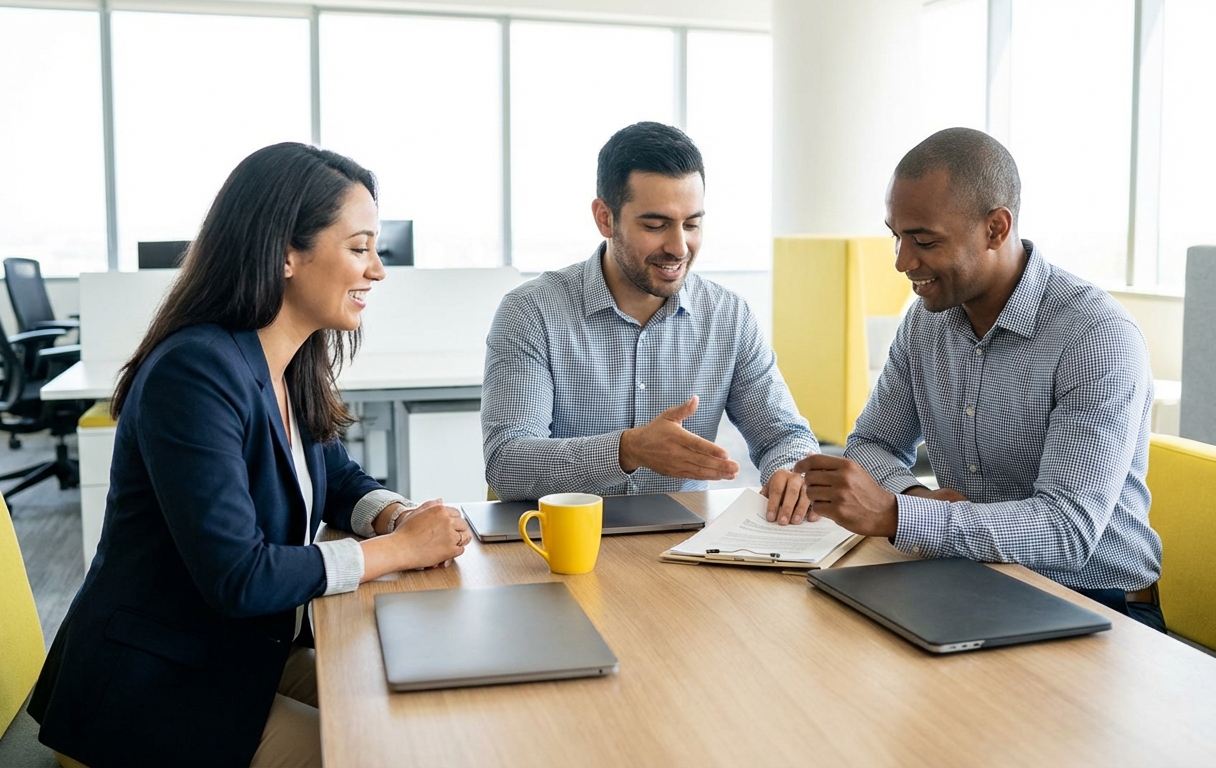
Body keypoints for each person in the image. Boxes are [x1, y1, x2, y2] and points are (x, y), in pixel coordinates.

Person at [27, 143, 473, 768]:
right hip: (150, 691)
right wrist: (399, 551)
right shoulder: (196, 371)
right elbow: (238, 575)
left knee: (424, 721)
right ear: (287, 253)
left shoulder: (286, 361)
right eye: (358, 247)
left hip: (236, 655)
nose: (377, 270)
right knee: (382, 751)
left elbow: (333, 476)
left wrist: (394, 516)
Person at [794, 128, 1165, 631]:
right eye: (897, 237)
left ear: (996, 228)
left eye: (924, 240)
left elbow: (1067, 531)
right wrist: (918, 502)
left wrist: (899, 517)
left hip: (1096, 600)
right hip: (972, 577)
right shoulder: (927, 321)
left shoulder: (1095, 337)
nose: (903, 262)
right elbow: (873, 444)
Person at [483, 121, 819, 522]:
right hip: (557, 546)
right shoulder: (532, 312)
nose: (679, 247)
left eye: (692, 224)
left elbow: (786, 435)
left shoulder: (729, 316)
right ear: (605, 218)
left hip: (679, 545)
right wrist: (628, 450)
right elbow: (507, 462)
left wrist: (791, 471)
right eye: (655, 225)